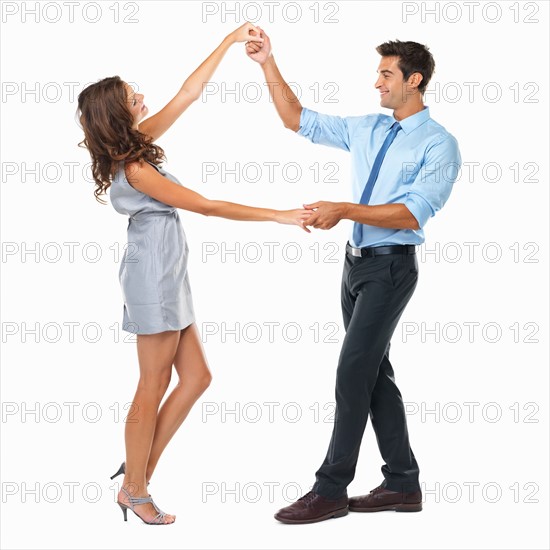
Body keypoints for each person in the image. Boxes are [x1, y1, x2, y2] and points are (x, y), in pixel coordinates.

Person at [76, 22, 312, 525]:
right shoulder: (136, 167)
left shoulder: (134, 144)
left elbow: (188, 92)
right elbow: (206, 206)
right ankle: (136, 488)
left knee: (198, 376)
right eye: (130, 94)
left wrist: (228, 43)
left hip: (166, 274)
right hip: (154, 279)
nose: (140, 95)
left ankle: (137, 473)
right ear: (118, 111)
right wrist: (280, 215)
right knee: (151, 384)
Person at [246, 31, 461, 524]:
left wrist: (343, 208)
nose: (377, 83)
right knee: (373, 373)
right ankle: (403, 484)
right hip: (355, 264)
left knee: (351, 372)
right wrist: (267, 63)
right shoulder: (367, 127)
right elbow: (296, 119)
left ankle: (330, 490)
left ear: (415, 79)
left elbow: (412, 214)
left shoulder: (439, 143)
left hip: (391, 266)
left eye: (386, 74)